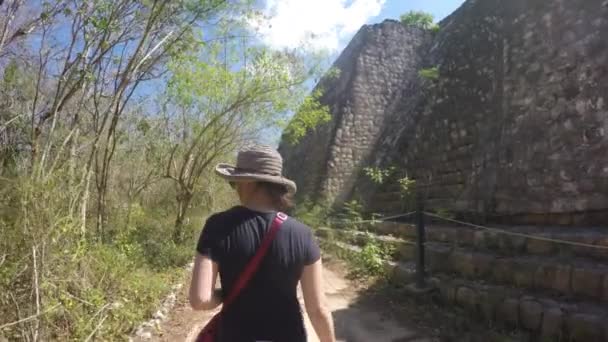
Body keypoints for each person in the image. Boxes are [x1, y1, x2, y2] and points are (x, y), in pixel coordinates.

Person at [189, 144, 336, 342]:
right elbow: (318, 309)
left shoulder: (217, 226)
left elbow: (200, 300)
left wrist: (227, 292)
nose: (236, 189)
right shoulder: (303, 234)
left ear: (249, 182)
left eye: (235, 183)